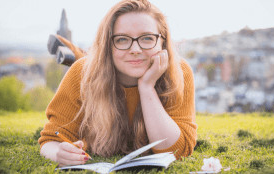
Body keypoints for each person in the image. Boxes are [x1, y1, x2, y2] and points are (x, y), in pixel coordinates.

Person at [39, 0, 197, 167]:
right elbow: (51, 139)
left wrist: (147, 87)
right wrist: (59, 153)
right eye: (122, 39)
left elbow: (179, 151)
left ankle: (76, 51)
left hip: (104, 63)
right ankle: (79, 53)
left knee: (93, 61)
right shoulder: (81, 73)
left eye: (147, 38)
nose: (135, 49)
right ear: (108, 44)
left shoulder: (179, 71)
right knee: (90, 66)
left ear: (162, 42)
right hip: (96, 67)